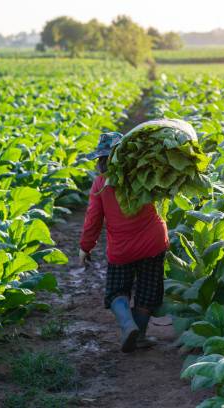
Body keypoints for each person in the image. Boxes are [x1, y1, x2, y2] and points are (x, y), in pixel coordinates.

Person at [79, 132, 169, 352]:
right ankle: (139, 336)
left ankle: (128, 326)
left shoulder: (101, 183)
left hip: (122, 249)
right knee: (148, 292)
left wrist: (85, 246)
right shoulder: (143, 174)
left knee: (116, 291)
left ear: (101, 159)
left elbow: (93, 218)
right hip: (152, 243)